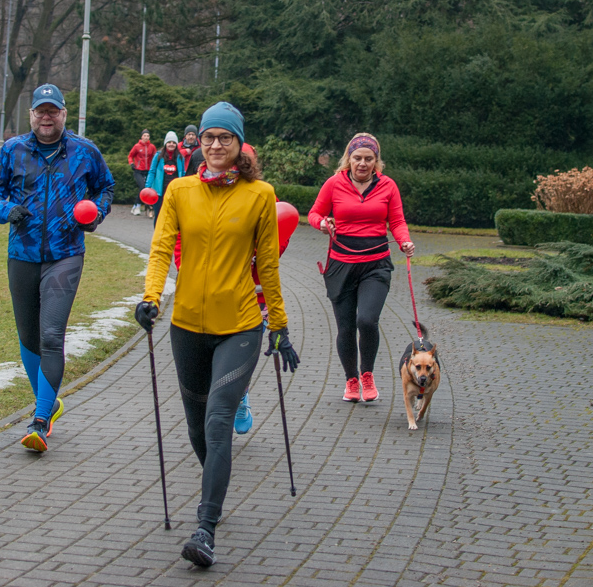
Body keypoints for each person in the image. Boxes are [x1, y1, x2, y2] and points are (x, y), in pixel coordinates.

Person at [135, 101, 298, 569]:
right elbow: (162, 246)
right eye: (208, 137)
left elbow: (267, 265)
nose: (215, 145)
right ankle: (216, 483)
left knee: (218, 419)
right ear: (198, 142)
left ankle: (205, 527)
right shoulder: (179, 191)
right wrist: (151, 298)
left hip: (241, 326)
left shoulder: (259, 195)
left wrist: (280, 326)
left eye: (225, 137)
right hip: (186, 325)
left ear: (238, 143)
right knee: (195, 424)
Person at [0, 83, 114, 452]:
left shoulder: (85, 152)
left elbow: (106, 187)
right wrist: (7, 211)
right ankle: (49, 401)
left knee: (51, 334)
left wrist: (95, 214)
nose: (46, 116)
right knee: (28, 337)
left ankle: (40, 420)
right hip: (22, 253)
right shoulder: (12, 150)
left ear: (63, 115)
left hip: (66, 253)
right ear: (32, 115)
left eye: (53, 110)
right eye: (41, 110)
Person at [308, 133, 414, 403]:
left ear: (376, 161)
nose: (363, 163)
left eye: (369, 158)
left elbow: (397, 221)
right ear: (349, 159)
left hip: (375, 265)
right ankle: (351, 380)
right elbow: (314, 213)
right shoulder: (334, 183)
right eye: (357, 158)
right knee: (345, 327)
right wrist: (321, 224)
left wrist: (404, 241)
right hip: (341, 264)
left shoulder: (388, 186)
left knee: (366, 320)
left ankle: (367, 374)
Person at [144, 131, 185, 226]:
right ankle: (157, 238)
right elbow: (152, 171)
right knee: (158, 216)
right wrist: (147, 187)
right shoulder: (158, 156)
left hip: (174, 192)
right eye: (169, 142)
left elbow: (183, 173)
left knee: (173, 217)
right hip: (159, 192)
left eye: (174, 142)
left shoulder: (180, 157)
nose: (171, 144)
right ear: (166, 143)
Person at [127, 129, 157, 216]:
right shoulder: (137, 146)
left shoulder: (152, 147)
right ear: (141, 137)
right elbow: (130, 156)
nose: (146, 137)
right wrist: (131, 164)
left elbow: (155, 157)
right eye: (145, 136)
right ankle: (137, 206)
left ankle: (139, 206)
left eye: (148, 136)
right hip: (138, 171)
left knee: (147, 188)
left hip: (148, 171)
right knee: (142, 187)